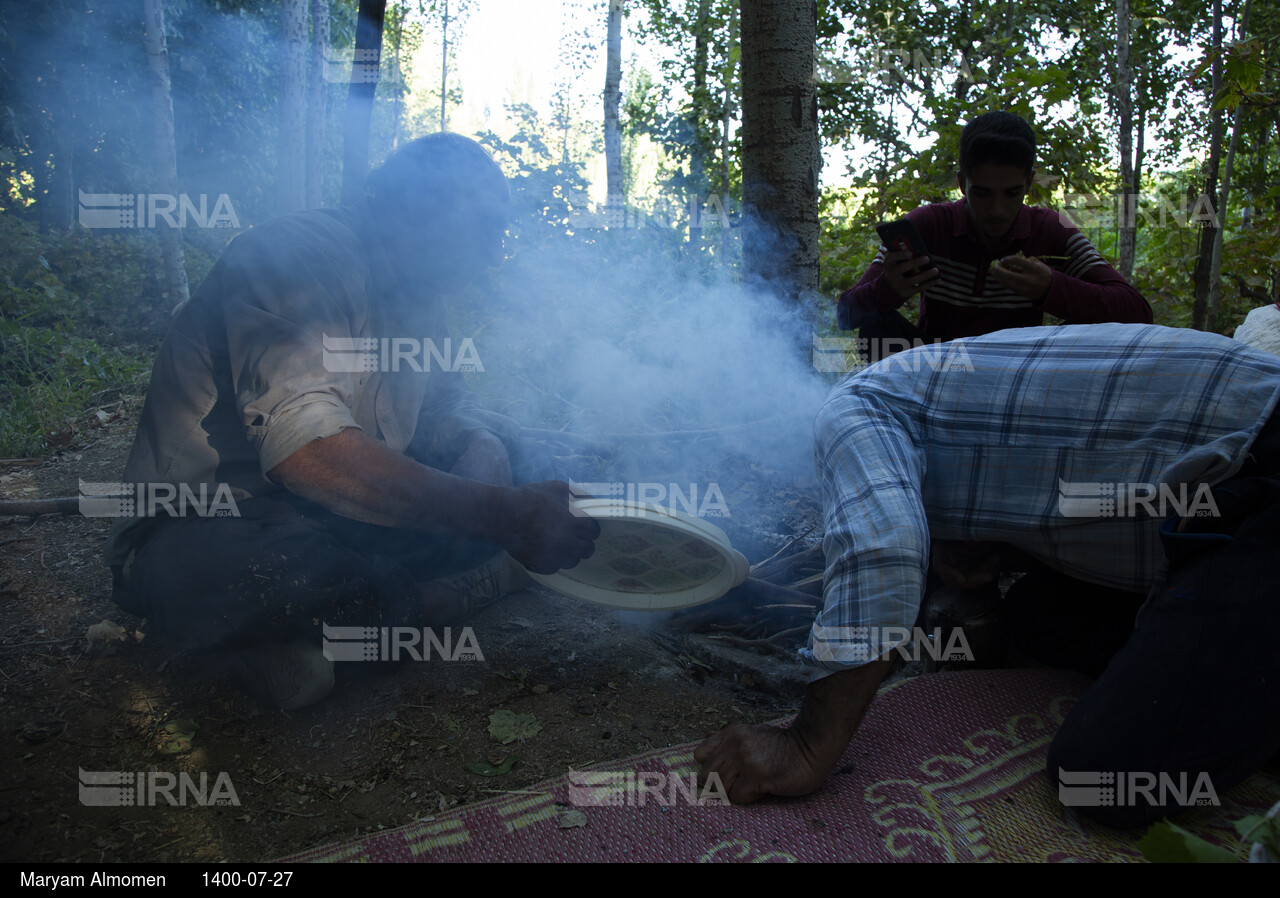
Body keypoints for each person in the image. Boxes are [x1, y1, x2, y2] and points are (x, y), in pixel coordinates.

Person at [696, 323, 1280, 826]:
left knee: (1105, 772)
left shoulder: (851, 409)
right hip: (1232, 494)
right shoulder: (920, 390)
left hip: (1263, 484)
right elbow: (1083, 484)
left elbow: (881, 549)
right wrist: (988, 544)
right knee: (1037, 618)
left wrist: (805, 743)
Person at [104, 133, 599, 709]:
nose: (493, 254)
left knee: (515, 448)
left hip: (337, 517)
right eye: (484, 227)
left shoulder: (419, 292)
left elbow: (447, 402)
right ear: (421, 208)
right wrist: (498, 513)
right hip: (220, 522)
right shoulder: (298, 257)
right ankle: (442, 598)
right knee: (240, 572)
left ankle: (329, 639)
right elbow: (306, 451)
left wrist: (479, 440)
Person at [836, 111, 1152, 359]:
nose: (997, 210)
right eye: (983, 193)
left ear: (1029, 183)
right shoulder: (928, 223)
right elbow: (845, 315)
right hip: (934, 367)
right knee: (876, 328)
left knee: (1088, 332)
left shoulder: (1051, 230)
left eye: (1012, 193)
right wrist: (889, 289)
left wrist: (1052, 288)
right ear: (962, 183)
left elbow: (1137, 311)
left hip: (1017, 369)